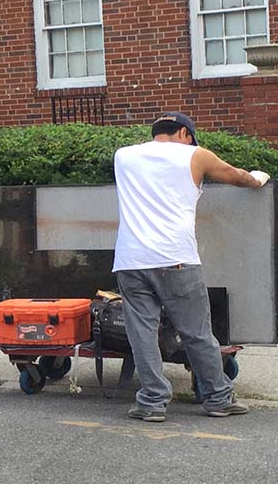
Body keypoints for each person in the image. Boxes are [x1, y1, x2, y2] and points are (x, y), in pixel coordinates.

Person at [113, 112, 270, 423]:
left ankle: (152, 402)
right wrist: (258, 177)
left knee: (142, 334)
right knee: (196, 333)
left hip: (131, 261)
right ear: (184, 133)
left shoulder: (124, 156)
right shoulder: (195, 155)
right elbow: (237, 176)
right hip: (176, 259)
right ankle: (217, 398)